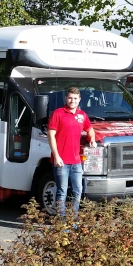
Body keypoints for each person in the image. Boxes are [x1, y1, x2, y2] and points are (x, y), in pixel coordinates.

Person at [48, 87, 97, 217]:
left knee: (78, 191)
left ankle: (73, 219)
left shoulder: (82, 115)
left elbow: (90, 129)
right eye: (70, 98)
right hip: (61, 161)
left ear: (79, 99)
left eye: (75, 98)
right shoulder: (58, 113)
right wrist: (56, 156)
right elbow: (51, 135)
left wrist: (92, 139)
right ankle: (62, 222)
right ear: (66, 98)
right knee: (62, 191)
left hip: (76, 161)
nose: (72, 101)